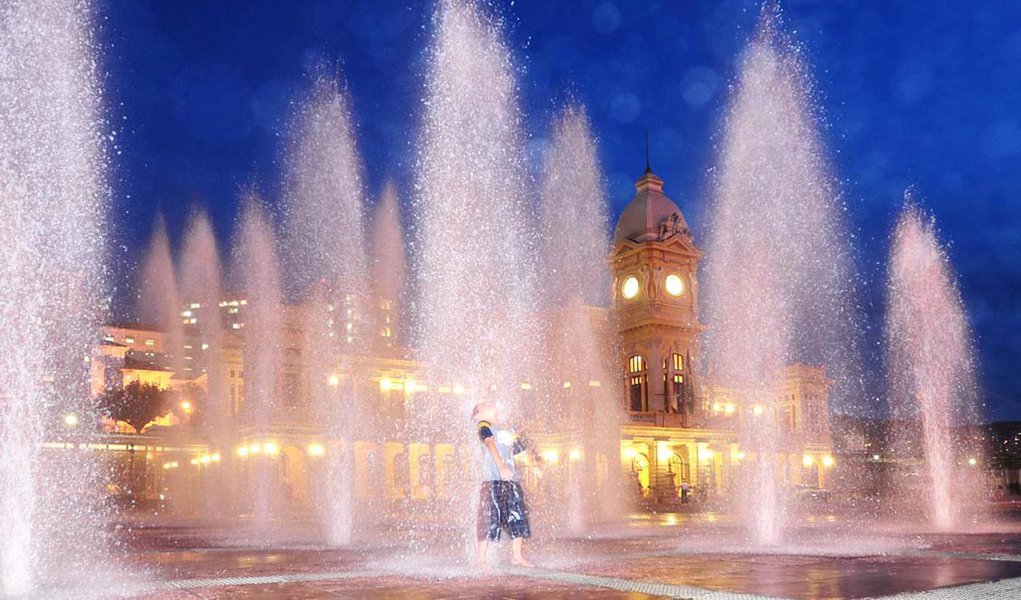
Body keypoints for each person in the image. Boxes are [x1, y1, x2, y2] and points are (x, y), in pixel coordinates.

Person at [473, 401, 535, 568]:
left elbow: (518, 450)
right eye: (482, 405)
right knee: (488, 517)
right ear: (479, 413)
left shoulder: (507, 429)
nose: (488, 404)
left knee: (518, 515)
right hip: (493, 479)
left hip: (511, 480)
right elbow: (490, 443)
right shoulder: (484, 425)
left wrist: (534, 464)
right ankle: (481, 559)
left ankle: (517, 557)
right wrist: (501, 466)